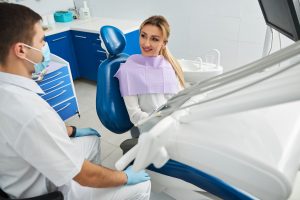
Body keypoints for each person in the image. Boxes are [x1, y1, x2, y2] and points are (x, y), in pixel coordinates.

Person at [0, 3, 150, 200]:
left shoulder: (11, 91)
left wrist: (73, 131)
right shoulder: (29, 111)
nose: (45, 47)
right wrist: (123, 177)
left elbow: (36, 132)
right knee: (142, 185)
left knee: (91, 139)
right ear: (21, 50)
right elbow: (84, 175)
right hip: (50, 191)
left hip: (29, 167)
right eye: (41, 41)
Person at [115, 15, 185, 148]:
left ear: (163, 43)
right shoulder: (129, 69)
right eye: (143, 36)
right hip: (153, 129)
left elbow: (178, 99)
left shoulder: (169, 65)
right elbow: (135, 115)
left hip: (174, 121)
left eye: (154, 39)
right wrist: (163, 122)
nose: (146, 43)